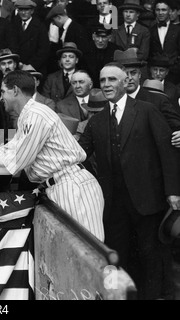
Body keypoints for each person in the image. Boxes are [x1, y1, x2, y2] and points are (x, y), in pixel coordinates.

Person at [79, 62, 180, 300]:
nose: (106, 85)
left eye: (112, 79)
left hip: (148, 199)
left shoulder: (146, 110)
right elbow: (79, 153)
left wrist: (173, 191)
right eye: (102, 81)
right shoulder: (97, 120)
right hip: (114, 203)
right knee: (120, 255)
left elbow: (167, 152)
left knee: (151, 256)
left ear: (125, 82)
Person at [0, 70, 105, 241]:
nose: (0, 97)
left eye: (3, 91)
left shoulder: (37, 114)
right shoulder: (26, 116)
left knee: (91, 253)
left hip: (73, 185)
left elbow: (19, 159)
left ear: (15, 90)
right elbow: (11, 149)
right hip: (58, 186)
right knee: (71, 254)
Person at [12, 0, 50, 76]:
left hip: (34, 68)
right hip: (18, 66)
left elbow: (44, 50)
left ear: (32, 11)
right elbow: (12, 45)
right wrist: (18, 63)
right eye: (21, 10)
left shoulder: (40, 26)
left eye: (26, 10)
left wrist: (31, 65)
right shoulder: (14, 24)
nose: (23, 13)